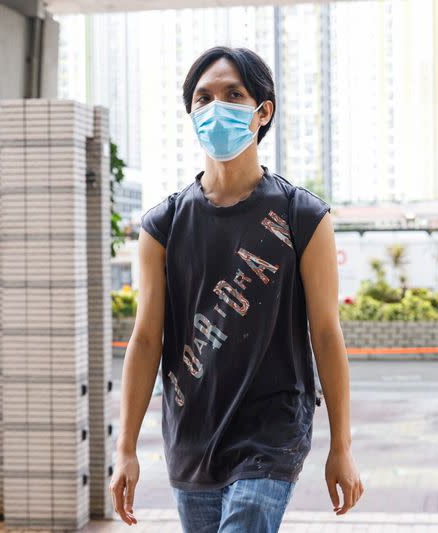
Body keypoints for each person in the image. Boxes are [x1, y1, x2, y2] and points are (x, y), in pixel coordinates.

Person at [109, 45, 364, 532]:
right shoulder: (162, 225)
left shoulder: (302, 216)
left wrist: (341, 447)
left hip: (272, 432)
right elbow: (145, 339)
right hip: (192, 434)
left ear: (262, 111)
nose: (214, 108)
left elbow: (327, 334)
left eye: (232, 94)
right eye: (202, 99)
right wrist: (125, 450)